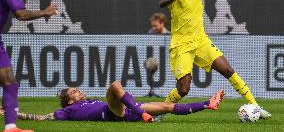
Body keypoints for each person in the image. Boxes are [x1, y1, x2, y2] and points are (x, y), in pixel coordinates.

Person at [159, 0, 271, 119]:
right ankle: (159, 112)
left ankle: (256, 107)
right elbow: (162, 3)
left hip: (201, 41)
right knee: (183, 89)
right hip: (182, 45)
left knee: (228, 70)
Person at [0, 0, 58, 132]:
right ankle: (10, 127)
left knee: (8, 81)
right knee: (9, 83)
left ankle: (11, 127)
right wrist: (44, 12)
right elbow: (21, 14)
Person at [0, 81, 224, 122]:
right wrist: (12, 114)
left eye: (78, 90)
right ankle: (143, 114)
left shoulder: (92, 100)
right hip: (112, 113)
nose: (79, 92)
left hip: (125, 112)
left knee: (167, 106)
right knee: (115, 86)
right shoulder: (66, 113)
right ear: (68, 102)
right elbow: (39, 118)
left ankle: (207, 104)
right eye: (75, 92)